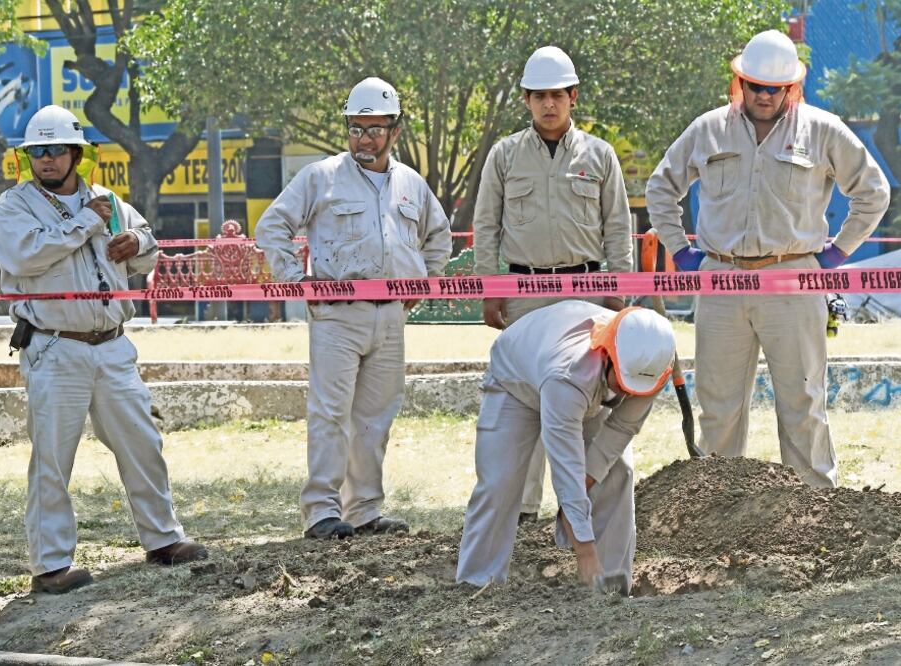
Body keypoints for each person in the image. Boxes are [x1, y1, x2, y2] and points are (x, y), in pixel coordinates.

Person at [645, 30, 890, 487]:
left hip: (795, 280)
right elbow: (661, 187)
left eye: (773, 88)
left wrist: (838, 252)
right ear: (740, 81)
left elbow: (874, 192)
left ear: (791, 87)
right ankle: (717, 508)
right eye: (754, 85)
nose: (762, 95)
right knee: (718, 404)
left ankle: (815, 510)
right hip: (720, 280)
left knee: (802, 401)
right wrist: (681, 251)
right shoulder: (708, 128)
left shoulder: (822, 130)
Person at [0, 105, 207, 594]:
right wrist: (86, 224)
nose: (46, 159)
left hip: (112, 346)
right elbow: (24, 255)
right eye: (37, 151)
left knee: (142, 442)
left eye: (56, 150)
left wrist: (135, 241)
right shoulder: (16, 205)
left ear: (76, 154)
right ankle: (51, 565)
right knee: (52, 455)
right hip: (53, 347)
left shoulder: (108, 199)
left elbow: (147, 245)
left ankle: (163, 539)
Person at [255, 78, 452, 539]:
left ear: (395, 131)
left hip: (390, 315)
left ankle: (364, 509)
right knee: (330, 413)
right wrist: (295, 280)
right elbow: (272, 226)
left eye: (375, 129)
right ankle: (322, 511)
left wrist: (426, 280)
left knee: (375, 417)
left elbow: (438, 235)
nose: (365, 139)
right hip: (337, 313)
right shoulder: (321, 177)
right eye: (356, 129)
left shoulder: (411, 184)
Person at [473, 45, 633, 522]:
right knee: (527, 396)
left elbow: (618, 227)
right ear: (525, 99)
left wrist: (618, 291)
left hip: (586, 293)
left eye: (557, 95)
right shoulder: (504, 156)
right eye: (538, 95)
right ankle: (522, 509)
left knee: (587, 400)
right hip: (525, 296)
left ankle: (584, 499)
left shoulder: (600, 156)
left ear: (573, 96)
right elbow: (486, 225)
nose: (548, 104)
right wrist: (490, 286)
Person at [455, 302, 676, 593]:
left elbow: (621, 430)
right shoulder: (568, 377)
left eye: (635, 389)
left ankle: (610, 586)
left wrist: (585, 486)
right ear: (608, 355)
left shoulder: (652, 366)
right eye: (623, 384)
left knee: (617, 472)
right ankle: (477, 582)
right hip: (515, 382)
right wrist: (585, 552)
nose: (627, 394)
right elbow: (566, 469)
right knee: (500, 481)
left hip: (579, 384)